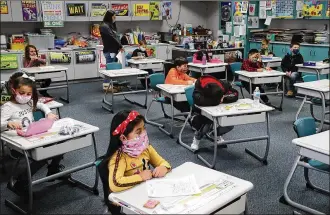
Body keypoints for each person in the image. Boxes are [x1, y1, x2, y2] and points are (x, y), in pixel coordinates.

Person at [0, 74, 65, 196]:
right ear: (14, 90)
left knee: (61, 141)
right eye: (22, 92)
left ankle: (53, 169)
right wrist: (8, 123)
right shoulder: (8, 107)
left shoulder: (29, 102)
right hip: (15, 142)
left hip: (31, 136)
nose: (25, 96)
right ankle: (20, 182)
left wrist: (48, 113)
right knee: (44, 153)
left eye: (28, 94)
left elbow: (41, 104)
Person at [105, 110, 171, 213]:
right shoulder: (119, 157)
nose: (144, 133)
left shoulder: (146, 148)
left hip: (146, 192)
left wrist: (164, 168)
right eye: (138, 131)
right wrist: (141, 177)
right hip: (129, 199)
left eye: (144, 128)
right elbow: (115, 183)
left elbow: (163, 162)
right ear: (123, 137)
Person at [190, 76, 236, 150]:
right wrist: (218, 101)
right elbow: (200, 101)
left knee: (229, 122)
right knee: (206, 123)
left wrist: (224, 98)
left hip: (220, 110)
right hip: (201, 112)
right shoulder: (199, 89)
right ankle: (196, 139)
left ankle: (216, 134)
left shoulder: (223, 85)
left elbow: (235, 94)